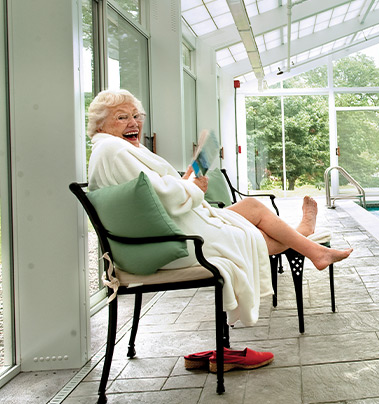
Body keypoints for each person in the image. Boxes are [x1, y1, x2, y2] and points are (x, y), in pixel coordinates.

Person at [86, 89, 352, 327]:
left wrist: (190, 176)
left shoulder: (112, 148)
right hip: (175, 240)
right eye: (122, 118)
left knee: (250, 206)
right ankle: (307, 238)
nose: (133, 123)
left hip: (168, 226)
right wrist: (194, 187)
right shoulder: (115, 151)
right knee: (259, 238)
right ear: (100, 124)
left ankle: (310, 245)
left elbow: (153, 195)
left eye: (136, 115)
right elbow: (164, 199)